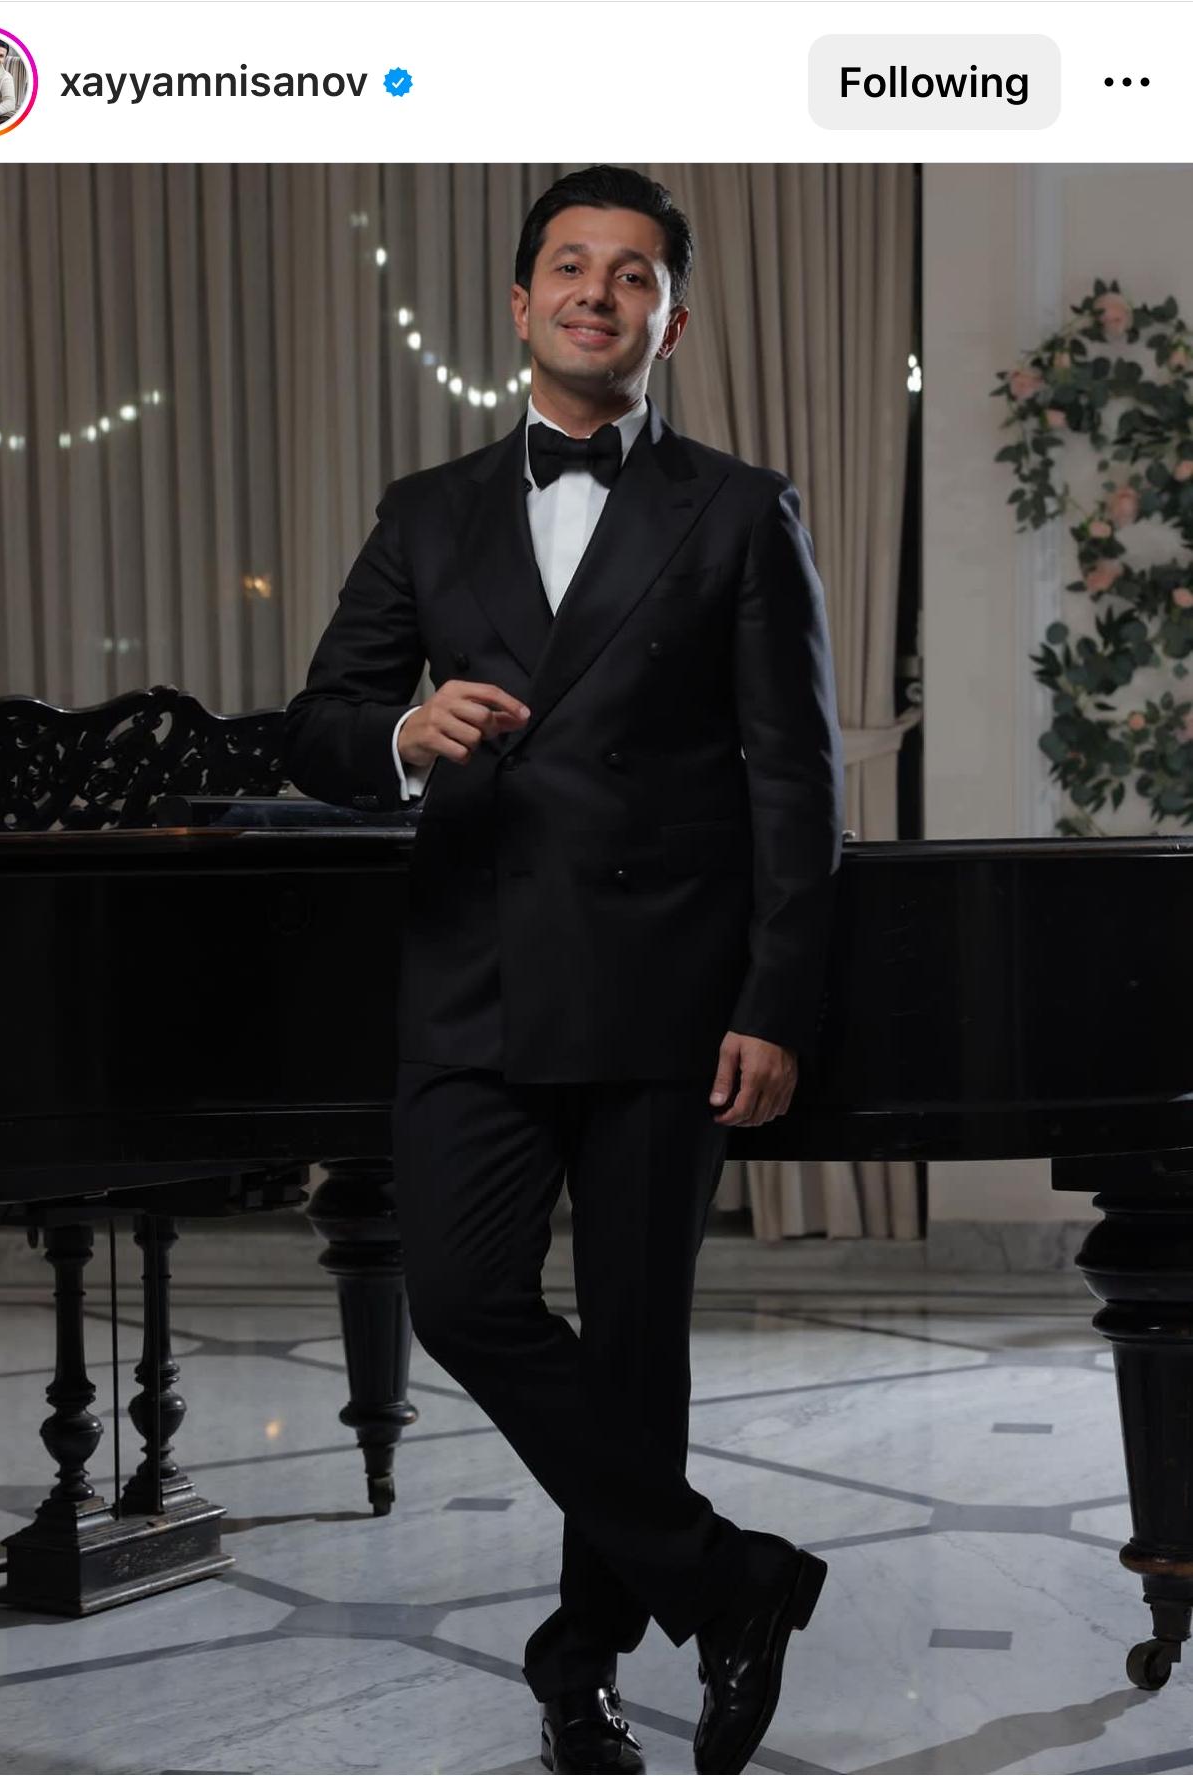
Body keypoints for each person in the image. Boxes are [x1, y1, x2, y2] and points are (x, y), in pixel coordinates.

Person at [283, 165, 844, 1776]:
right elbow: (319, 729)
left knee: (635, 1348)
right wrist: (406, 730)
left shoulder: (738, 508)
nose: (600, 293)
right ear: (521, 302)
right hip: (470, 970)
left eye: (634, 273)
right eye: (572, 267)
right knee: (463, 1296)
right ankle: (729, 1582)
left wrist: (772, 1002)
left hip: (666, 989)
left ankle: (577, 1673)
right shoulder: (426, 508)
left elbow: (794, 781)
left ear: (672, 319)